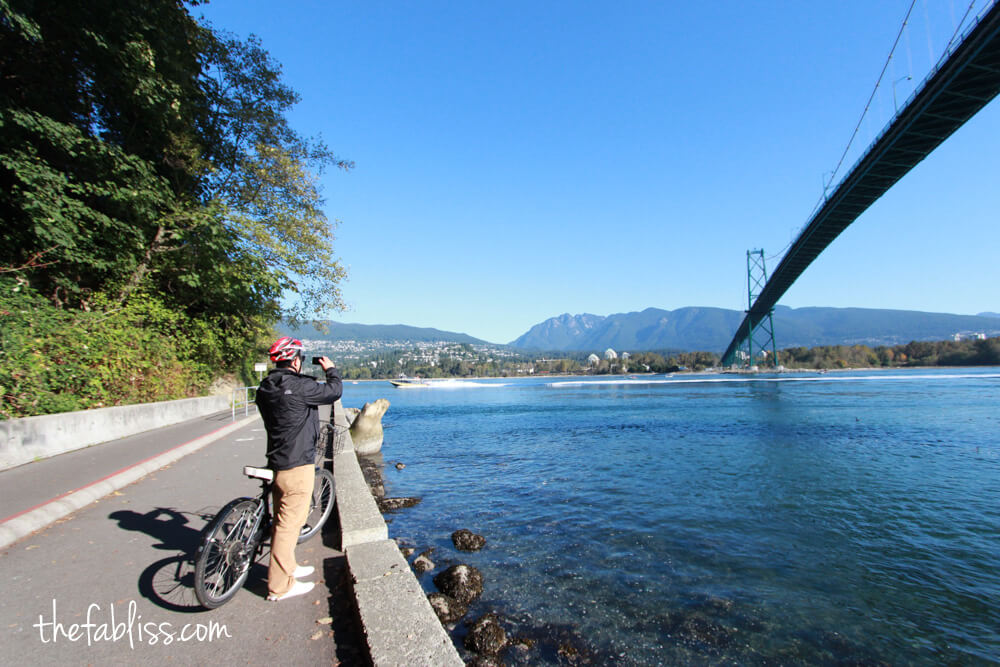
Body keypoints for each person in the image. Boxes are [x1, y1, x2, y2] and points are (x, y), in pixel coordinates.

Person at [254, 336, 342, 601]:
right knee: (288, 526)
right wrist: (331, 370)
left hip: (277, 460)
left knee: (283, 517)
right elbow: (334, 391)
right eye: (300, 359)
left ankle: (289, 566)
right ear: (295, 360)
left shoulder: (265, 387)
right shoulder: (301, 386)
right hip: (297, 464)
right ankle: (280, 587)